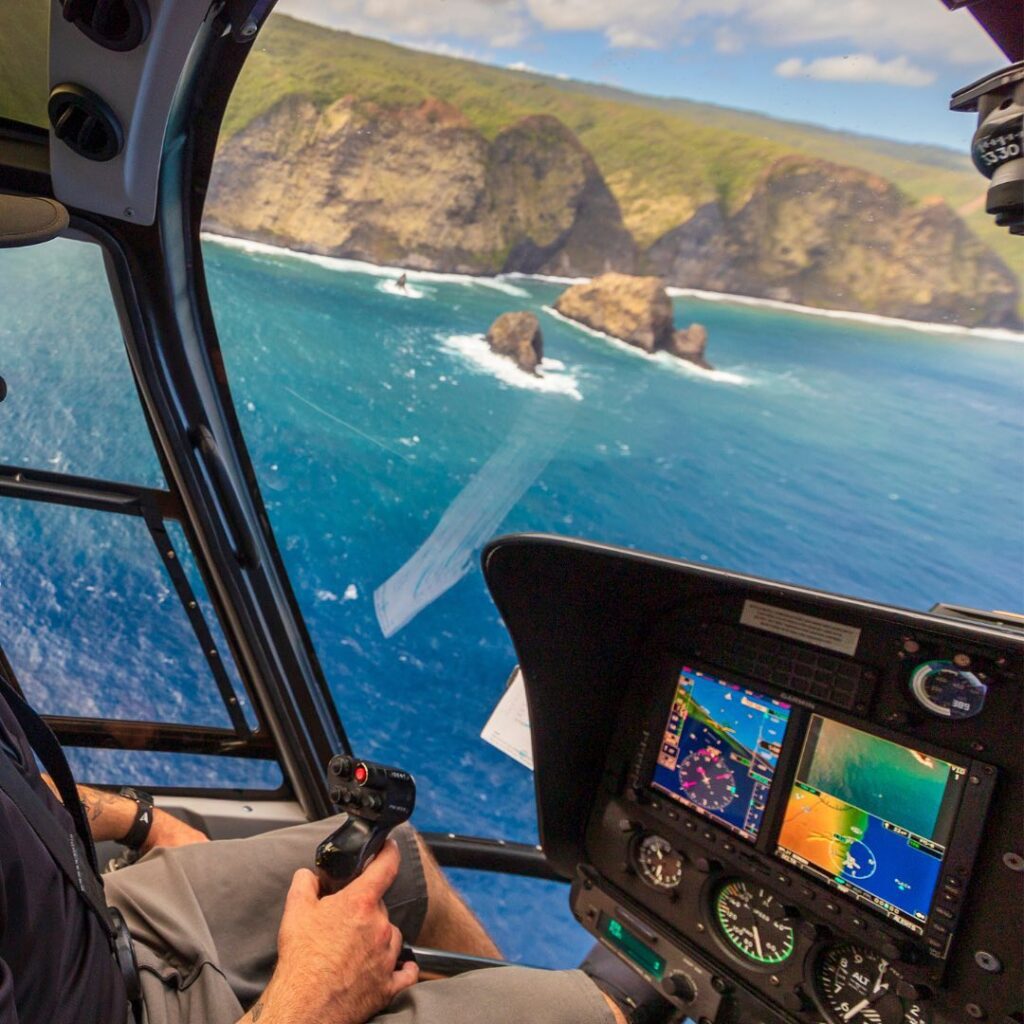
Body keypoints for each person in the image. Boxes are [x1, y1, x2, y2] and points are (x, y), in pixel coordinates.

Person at [0, 676, 647, 1024]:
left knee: (395, 856)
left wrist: (140, 821)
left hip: (95, 922)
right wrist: (312, 996)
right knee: (569, 1012)